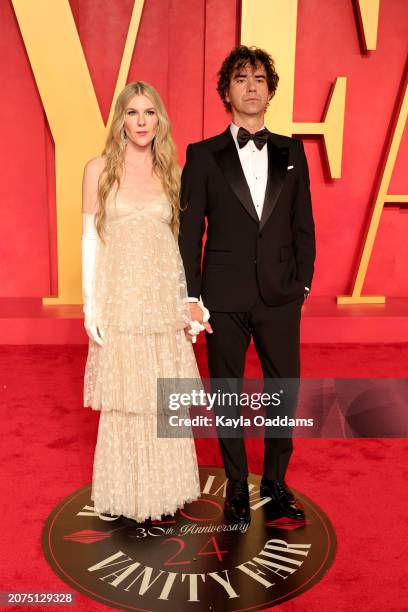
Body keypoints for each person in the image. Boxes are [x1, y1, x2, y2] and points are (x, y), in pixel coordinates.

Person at [179, 46, 316, 524]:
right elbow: (189, 228)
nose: (252, 86)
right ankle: (238, 485)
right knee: (227, 393)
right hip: (223, 297)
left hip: (280, 295)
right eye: (241, 78)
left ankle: (276, 483)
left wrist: (302, 286)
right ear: (226, 91)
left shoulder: (292, 151)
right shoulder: (202, 156)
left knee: (284, 392)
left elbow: (304, 225)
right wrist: (192, 297)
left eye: (259, 78)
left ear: (270, 90)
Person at [82, 81, 201, 522]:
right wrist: (90, 306)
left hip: (159, 300)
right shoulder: (98, 169)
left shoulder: (174, 170)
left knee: (160, 398)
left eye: (149, 113)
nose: (141, 122)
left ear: (159, 119)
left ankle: (165, 488)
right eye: (132, 113)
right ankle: (127, 490)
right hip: (118, 302)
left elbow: (182, 244)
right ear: (121, 120)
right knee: (125, 400)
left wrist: (189, 302)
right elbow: (89, 240)